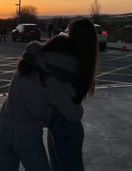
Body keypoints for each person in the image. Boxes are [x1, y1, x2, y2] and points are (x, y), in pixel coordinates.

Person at [0, 43, 83, 171]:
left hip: (3, 131)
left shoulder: (21, 72)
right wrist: (73, 95)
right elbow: (73, 115)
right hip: (27, 136)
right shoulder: (48, 80)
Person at [26, 17, 98, 171]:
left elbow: (43, 62)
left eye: (68, 31)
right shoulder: (83, 62)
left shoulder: (67, 63)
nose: (65, 34)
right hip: (64, 126)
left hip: (63, 127)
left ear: (75, 37)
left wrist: (35, 49)